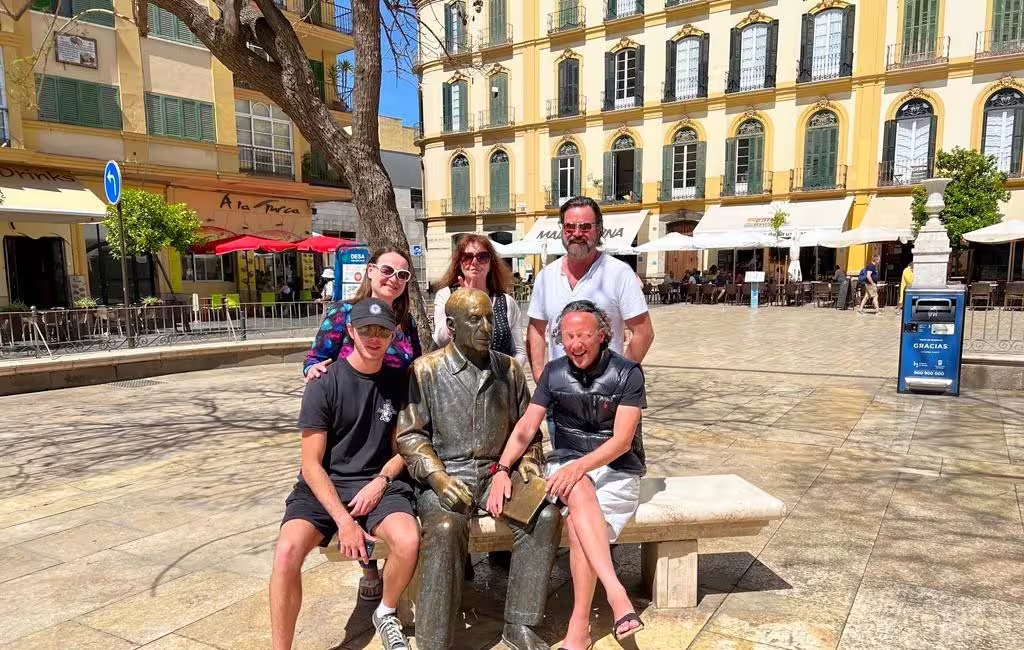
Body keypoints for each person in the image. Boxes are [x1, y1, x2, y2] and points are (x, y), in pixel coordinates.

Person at [396, 289, 562, 650]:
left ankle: (519, 624)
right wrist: (438, 478)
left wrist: (529, 466)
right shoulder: (425, 371)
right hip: (447, 474)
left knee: (545, 516)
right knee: (443, 527)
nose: (486, 327)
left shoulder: (509, 369)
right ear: (451, 326)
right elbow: (409, 436)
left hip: (498, 473)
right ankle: (432, 640)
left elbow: (529, 433)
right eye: (475, 319)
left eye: (489, 318)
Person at [488, 300, 647, 649]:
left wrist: (580, 466)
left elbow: (622, 442)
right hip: (569, 465)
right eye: (568, 336)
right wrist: (501, 468)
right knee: (579, 489)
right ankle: (616, 593)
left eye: (584, 335)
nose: (575, 343)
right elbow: (527, 426)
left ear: (602, 335)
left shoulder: (628, 373)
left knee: (577, 526)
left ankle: (579, 624)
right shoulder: (553, 372)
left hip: (617, 470)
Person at [271, 298, 419, 650]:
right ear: (350, 331)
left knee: (408, 540)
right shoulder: (324, 382)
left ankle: (385, 611)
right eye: (365, 329)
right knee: (287, 552)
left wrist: (381, 482)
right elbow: (311, 463)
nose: (373, 337)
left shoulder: (400, 382)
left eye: (382, 330)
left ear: (392, 336)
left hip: (380, 481)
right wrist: (344, 521)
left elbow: (405, 449)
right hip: (324, 486)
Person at [302, 246, 422, 601]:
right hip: (351, 420)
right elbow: (316, 357)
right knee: (352, 487)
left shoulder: (405, 321)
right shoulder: (343, 313)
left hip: (392, 416)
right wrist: (314, 371)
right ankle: (369, 565)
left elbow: (415, 365)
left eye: (403, 275)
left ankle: (396, 563)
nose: (394, 280)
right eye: (387, 271)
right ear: (370, 271)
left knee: (393, 498)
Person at [526, 196, 654, 383]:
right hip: (559, 393)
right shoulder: (545, 277)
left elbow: (644, 332)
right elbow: (536, 330)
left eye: (585, 227)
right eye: (570, 227)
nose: (577, 233)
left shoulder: (619, 273)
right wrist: (540, 378)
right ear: (562, 229)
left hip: (606, 395)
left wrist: (619, 379)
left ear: (599, 229)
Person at [432, 234, 527, 370]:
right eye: (468, 257)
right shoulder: (446, 295)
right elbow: (440, 340)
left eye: (482, 257)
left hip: (498, 382)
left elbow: (519, 351)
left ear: (490, 263)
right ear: (460, 262)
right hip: (457, 382)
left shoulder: (506, 302)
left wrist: (509, 376)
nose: (474, 262)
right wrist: (462, 302)